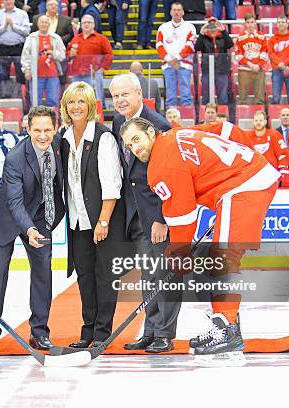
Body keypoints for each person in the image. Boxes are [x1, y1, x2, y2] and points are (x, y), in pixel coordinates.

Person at [119, 118, 280, 363]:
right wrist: (247, 158)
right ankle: (225, 324)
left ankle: (227, 332)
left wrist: (178, 254)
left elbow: (182, 214)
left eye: (137, 139)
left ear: (151, 132)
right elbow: (223, 128)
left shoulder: (161, 165)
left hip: (243, 186)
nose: (135, 148)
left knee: (223, 257)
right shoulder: (178, 133)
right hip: (249, 178)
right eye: (130, 145)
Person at [0, 106, 64, 352]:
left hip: (40, 216)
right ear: (27, 130)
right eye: (36, 130)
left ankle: (39, 332)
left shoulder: (60, 147)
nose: (42, 135)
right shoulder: (15, 157)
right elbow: (15, 203)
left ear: (55, 129)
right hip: (6, 217)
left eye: (47, 129)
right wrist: (28, 230)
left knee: (43, 272)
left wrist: (48, 223)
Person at [109, 73, 178, 353]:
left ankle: (165, 335)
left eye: (125, 94)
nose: (120, 100)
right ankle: (150, 330)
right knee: (149, 275)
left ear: (139, 93)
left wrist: (161, 217)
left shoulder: (159, 126)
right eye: (115, 96)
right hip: (135, 214)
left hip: (156, 214)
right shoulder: (117, 121)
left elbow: (171, 175)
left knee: (164, 275)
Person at [60, 81, 124, 349]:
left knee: (104, 277)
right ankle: (87, 331)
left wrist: (103, 220)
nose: (76, 106)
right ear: (65, 106)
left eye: (81, 101)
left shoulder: (103, 137)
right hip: (77, 222)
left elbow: (112, 184)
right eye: (71, 102)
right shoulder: (62, 138)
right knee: (85, 276)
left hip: (102, 221)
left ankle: (102, 333)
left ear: (91, 106)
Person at [156, 2, 196, 107]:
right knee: (170, 96)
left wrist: (177, 59)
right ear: (170, 12)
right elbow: (159, 45)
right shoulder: (163, 28)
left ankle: (188, 120)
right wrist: (170, 59)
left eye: (179, 10)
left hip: (185, 64)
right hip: (168, 64)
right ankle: (171, 121)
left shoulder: (190, 27)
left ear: (183, 12)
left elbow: (190, 45)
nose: (176, 12)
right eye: (174, 10)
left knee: (186, 94)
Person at [66, 14, 113, 102]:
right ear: (81, 25)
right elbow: (67, 54)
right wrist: (70, 54)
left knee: (94, 99)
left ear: (94, 24)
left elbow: (109, 55)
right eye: (84, 23)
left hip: (93, 74)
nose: (86, 24)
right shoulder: (75, 38)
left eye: (89, 22)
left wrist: (102, 69)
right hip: (77, 74)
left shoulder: (101, 39)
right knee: (77, 99)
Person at [21, 15, 65, 107]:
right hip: (36, 75)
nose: (44, 24)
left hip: (53, 75)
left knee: (53, 101)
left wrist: (54, 54)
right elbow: (25, 55)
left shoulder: (56, 38)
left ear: (49, 24)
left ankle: (53, 120)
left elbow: (62, 55)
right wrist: (27, 70)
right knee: (36, 102)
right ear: (38, 24)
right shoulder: (31, 38)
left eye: (46, 22)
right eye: (42, 22)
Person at [247, 111, 289, 187]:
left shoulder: (274, 135)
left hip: (271, 176)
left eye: (261, 120)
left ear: (265, 122)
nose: (258, 123)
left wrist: (284, 171)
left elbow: (283, 154)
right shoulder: (247, 136)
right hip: (253, 176)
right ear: (253, 122)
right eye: (256, 120)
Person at [195, 17, 233, 105]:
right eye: (210, 24)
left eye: (214, 24)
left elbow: (230, 44)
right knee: (206, 94)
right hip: (207, 69)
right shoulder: (204, 38)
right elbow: (197, 48)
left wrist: (223, 31)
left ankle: (223, 115)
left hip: (221, 69)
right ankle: (205, 115)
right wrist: (201, 33)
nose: (213, 27)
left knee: (223, 95)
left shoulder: (223, 37)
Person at [0, 0, 31, 85]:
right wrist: (4, 26)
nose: (8, 2)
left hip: (18, 48)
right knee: (2, 76)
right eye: (6, 0)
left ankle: (21, 96)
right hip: (3, 49)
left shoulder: (22, 14)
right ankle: (3, 96)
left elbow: (27, 31)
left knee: (20, 76)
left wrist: (14, 26)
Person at [268, 16, 289, 106]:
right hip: (276, 70)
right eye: (279, 22)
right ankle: (275, 117)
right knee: (275, 98)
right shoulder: (272, 39)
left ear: (287, 24)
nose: (281, 24)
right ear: (276, 25)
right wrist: (280, 64)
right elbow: (271, 54)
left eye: (283, 22)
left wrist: (284, 64)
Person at [236, 13, 268, 105]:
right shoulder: (240, 38)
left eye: (252, 22)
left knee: (260, 99)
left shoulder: (262, 36)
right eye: (248, 22)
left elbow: (265, 52)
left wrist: (258, 65)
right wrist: (250, 64)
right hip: (244, 69)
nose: (250, 24)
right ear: (245, 24)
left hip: (259, 69)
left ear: (255, 23)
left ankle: (260, 117)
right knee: (243, 98)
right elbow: (238, 55)